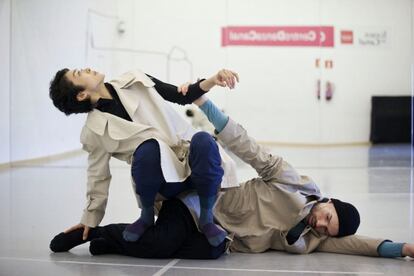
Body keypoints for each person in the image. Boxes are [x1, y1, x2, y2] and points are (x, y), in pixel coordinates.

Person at [50, 78, 414, 259]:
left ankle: (111, 241)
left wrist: (402, 249)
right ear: (329, 200)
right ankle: (100, 235)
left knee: (200, 253)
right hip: (200, 201)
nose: (322, 225)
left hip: (220, 240)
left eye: (327, 229)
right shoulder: (294, 184)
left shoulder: (312, 240)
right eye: (328, 216)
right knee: (164, 239)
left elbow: (355, 244)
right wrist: (206, 104)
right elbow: (249, 148)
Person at [49, 68, 240, 247]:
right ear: (81, 95)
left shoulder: (135, 79)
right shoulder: (93, 131)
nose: (87, 69)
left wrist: (214, 79)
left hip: (191, 163)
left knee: (204, 140)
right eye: (79, 73)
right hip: (161, 182)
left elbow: (180, 95)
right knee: (148, 149)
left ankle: (206, 220)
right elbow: (97, 176)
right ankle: (146, 216)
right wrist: (89, 219)